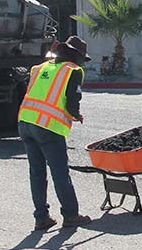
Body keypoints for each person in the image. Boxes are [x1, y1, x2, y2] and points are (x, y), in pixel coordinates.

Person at [18, 36, 93, 231]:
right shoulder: (73, 71)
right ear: (75, 56)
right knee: (60, 172)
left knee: (37, 172)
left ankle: (41, 218)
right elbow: (72, 101)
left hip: (25, 122)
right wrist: (76, 115)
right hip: (47, 126)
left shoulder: (40, 68)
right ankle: (70, 214)